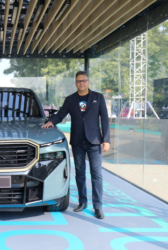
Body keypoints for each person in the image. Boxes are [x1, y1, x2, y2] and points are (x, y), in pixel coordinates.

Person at [41, 71, 110, 219]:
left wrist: (106, 140)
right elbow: (61, 114)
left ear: (88, 82)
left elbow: (104, 119)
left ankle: (98, 206)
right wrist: (51, 122)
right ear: (76, 83)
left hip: (94, 141)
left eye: (84, 80)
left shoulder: (98, 97)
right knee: (80, 174)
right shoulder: (70, 99)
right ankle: (82, 202)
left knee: (96, 174)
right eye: (78, 81)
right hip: (78, 141)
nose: (81, 83)